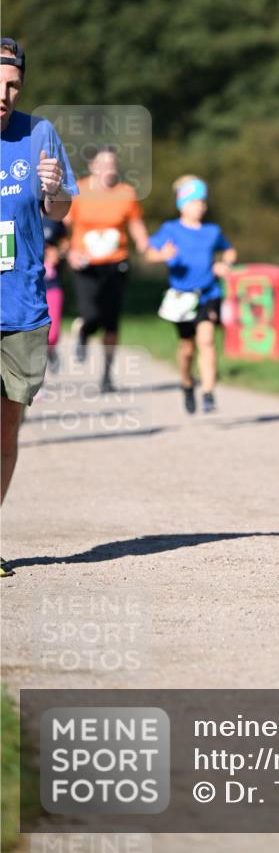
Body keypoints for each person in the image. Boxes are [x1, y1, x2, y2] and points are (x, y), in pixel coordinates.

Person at [0, 37, 77, 577]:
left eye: (13, 87)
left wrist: (54, 191)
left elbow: (62, 207)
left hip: (21, 306)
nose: (6, 95)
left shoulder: (38, 133)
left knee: (6, 432)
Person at [145, 175, 237, 414]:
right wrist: (162, 255)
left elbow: (229, 251)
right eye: (194, 202)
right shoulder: (170, 229)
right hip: (182, 299)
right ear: (182, 204)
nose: (200, 206)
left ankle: (208, 392)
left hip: (208, 293)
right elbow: (148, 253)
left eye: (202, 202)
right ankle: (187, 383)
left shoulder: (212, 231)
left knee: (206, 340)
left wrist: (223, 263)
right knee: (187, 348)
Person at [66, 145, 149, 392]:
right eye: (102, 164)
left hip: (116, 263)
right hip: (86, 265)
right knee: (92, 315)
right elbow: (61, 226)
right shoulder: (78, 190)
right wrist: (68, 251)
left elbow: (136, 226)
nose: (107, 169)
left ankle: (106, 375)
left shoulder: (126, 193)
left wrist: (146, 245)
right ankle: (83, 330)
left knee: (111, 322)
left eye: (112, 164)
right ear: (93, 166)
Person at [42, 212, 68, 372]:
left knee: (52, 334)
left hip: (52, 285)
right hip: (29, 287)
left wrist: (58, 252)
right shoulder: (16, 213)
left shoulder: (53, 218)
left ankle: (51, 351)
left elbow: (66, 242)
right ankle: (38, 382)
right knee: (32, 335)